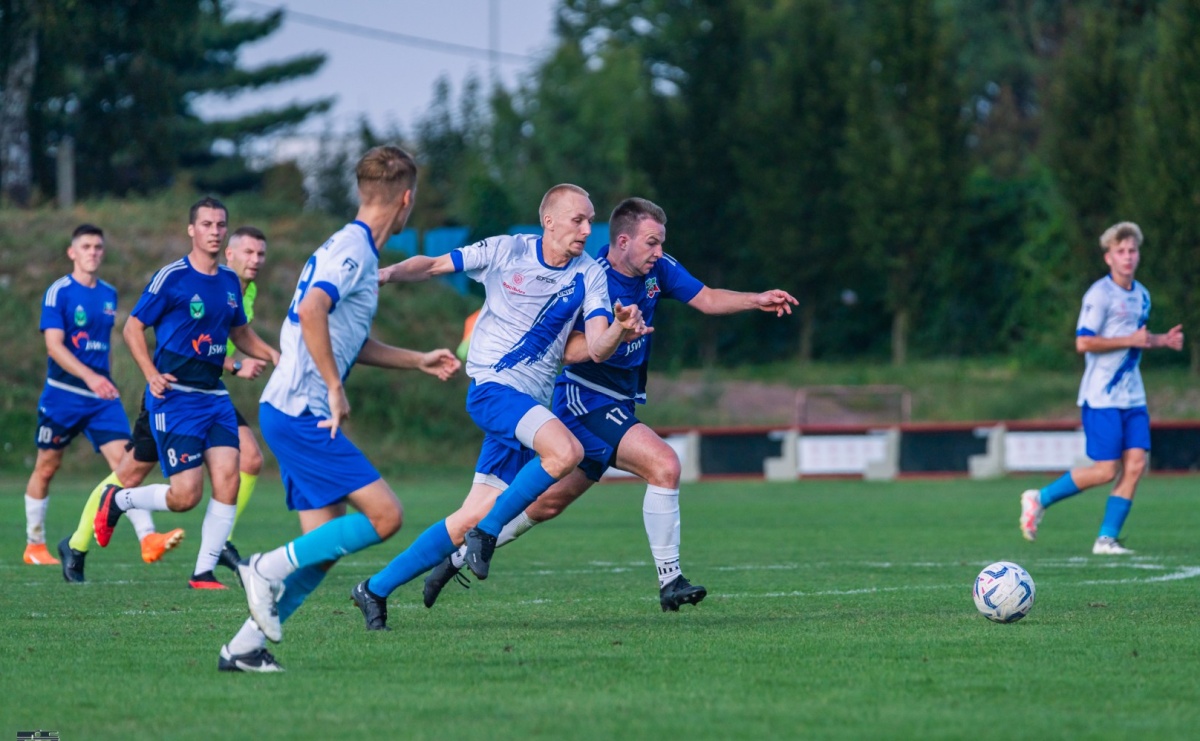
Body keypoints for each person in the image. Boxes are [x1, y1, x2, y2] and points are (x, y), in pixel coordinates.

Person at [423, 197, 798, 611]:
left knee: (545, 504)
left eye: (660, 244)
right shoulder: (591, 278)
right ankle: (670, 580)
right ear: (623, 241)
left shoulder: (659, 271)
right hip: (584, 396)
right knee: (665, 464)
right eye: (651, 243)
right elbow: (561, 349)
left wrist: (756, 299)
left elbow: (706, 298)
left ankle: (456, 558)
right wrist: (615, 333)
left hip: (618, 401)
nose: (659, 252)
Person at [345, 183, 649, 632]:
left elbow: (599, 348)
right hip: (492, 389)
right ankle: (486, 535)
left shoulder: (591, 273)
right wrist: (386, 274)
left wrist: (621, 329)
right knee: (565, 453)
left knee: (466, 516)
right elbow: (431, 265)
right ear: (549, 221)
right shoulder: (507, 251)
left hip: (528, 407)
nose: (587, 228)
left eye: (590, 220)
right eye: (577, 219)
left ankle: (373, 589)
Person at [220, 145, 461, 673]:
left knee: (322, 546)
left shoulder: (354, 250)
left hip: (290, 409)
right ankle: (262, 566)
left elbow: (346, 336)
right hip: (303, 411)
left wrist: (416, 359)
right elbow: (311, 310)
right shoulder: (353, 249)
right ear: (406, 199)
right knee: (386, 515)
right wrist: (333, 385)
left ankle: (242, 649)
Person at [59, 226, 272, 584]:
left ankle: (218, 547)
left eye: (261, 254)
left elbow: (225, 341)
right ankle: (77, 544)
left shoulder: (240, 292)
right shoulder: (196, 282)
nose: (256, 261)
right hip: (173, 393)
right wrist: (235, 365)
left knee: (249, 457)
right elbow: (187, 345)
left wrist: (271, 358)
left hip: (209, 394)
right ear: (229, 255)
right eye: (248, 253)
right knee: (129, 475)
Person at [1020, 221, 1184, 553]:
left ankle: (1106, 539)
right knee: (1106, 471)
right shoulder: (1099, 295)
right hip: (1102, 396)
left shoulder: (1142, 295)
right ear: (1108, 257)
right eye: (1120, 251)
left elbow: (1136, 339)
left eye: (1132, 250)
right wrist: (1132, 339)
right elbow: (1084, 342)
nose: (1127, 257)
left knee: (1136, 465)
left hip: (1133, 396)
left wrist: (1161, 340)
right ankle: (1040, 497)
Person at [24, 224, 160, 566]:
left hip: (102, 400)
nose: (93, 252)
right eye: (86, 246)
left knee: (127, 463)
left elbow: (101, 349)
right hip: (63, 395)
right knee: (47, 466)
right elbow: (54, 347)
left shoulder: (109, 294)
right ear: (72, 252)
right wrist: (90, 377)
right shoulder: (59, 292)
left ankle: (148, 538)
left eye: (98, 247)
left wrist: (103, 380)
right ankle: (34, 544)